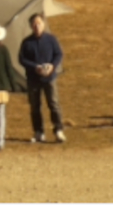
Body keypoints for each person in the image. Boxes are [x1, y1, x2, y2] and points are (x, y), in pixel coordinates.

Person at [18, 13, 66, 144]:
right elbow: (22, 59)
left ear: (43, 24)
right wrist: (35, 67)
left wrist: (52, 66)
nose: (37, 26)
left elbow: (58, 54)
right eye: (34, 24)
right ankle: (38, 132)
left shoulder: (51, 39)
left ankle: (58, 130)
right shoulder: (27, 42)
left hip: (50, 78)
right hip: (33, 79)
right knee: (35, 106)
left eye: (39, 23)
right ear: (31, 26)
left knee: (54, 104)